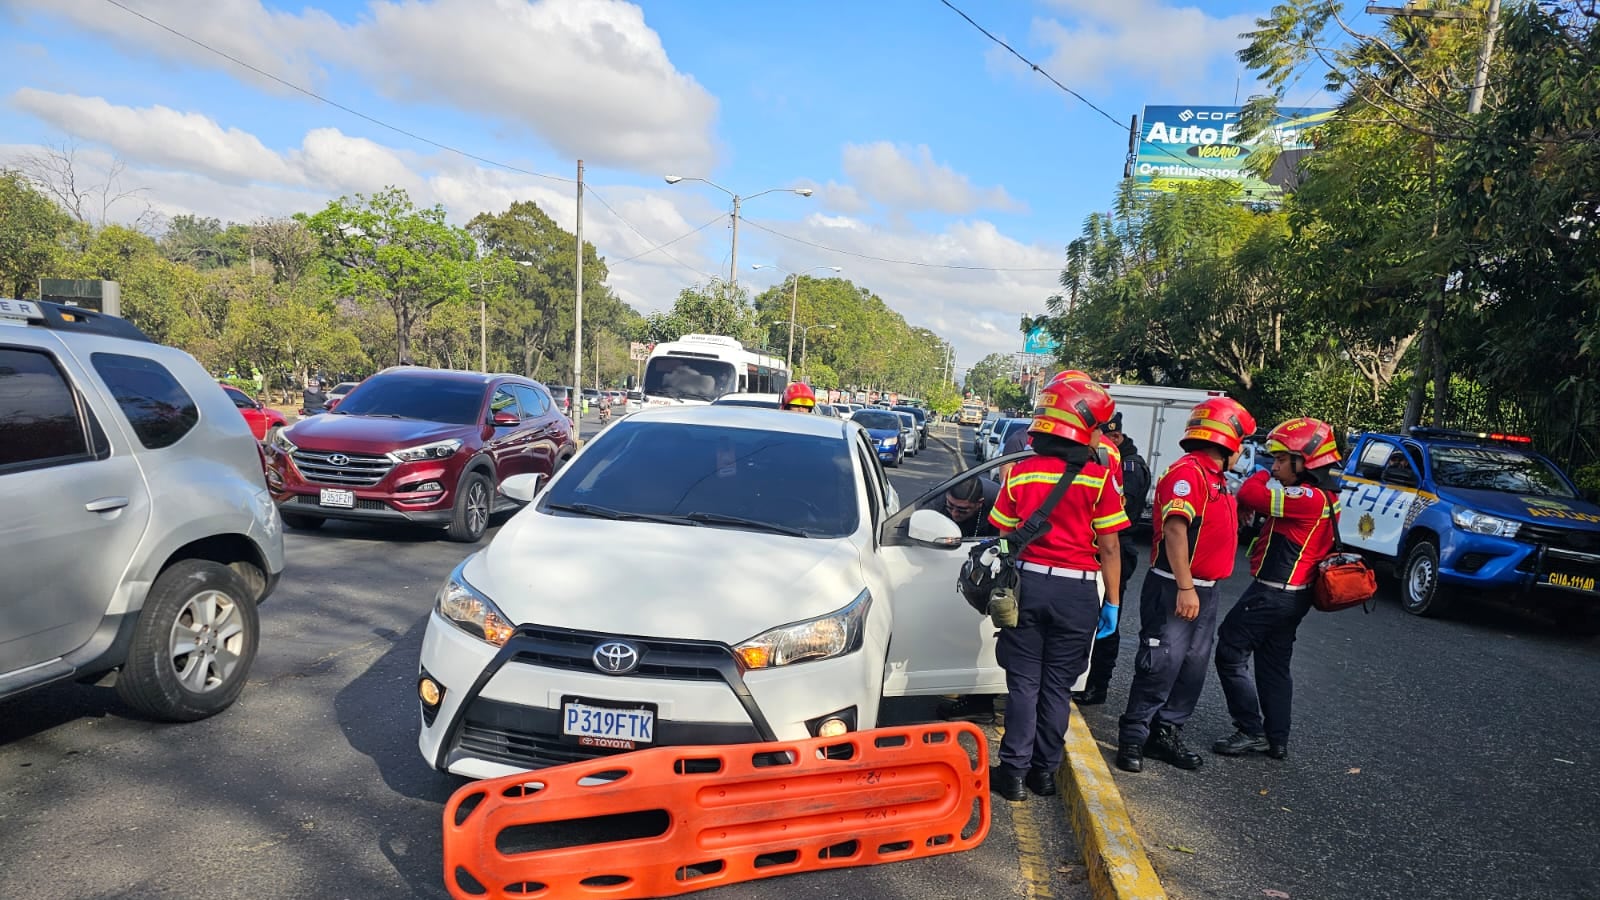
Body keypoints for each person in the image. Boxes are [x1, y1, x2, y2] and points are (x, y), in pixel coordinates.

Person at [985, 374, 1128, 802]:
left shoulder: (1021, 472)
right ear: (1081, 426)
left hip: (1026, 585)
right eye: (1098, 427)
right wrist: (1114, 603)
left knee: (1024, 684)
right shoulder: (1100, 478)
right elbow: (1110, 545)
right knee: (1058, 688)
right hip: (1078, 593)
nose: (1101, 434)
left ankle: (1012, 774)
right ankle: (1043, 774)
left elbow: (1004, 535)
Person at [1115, 397, 1255, 774]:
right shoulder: (1187, 474)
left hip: (1204, 590)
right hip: (1176, 588)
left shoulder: (1216, 480)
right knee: (1160, 663)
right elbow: (1176, 531)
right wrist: (1185, 586)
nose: (1242, 452)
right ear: (1226, 442)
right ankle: (1133, 737)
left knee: (1191, 667)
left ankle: (1165, 733)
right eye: (1240, 443)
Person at [1211, 417, 1340, 762]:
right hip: (1294, 595)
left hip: (1273, 593)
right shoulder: (1326, 496)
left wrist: (1260, 472)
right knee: (1273, 665)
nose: (1276, 465)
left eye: (1283, 460)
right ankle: (1276, 738)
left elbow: (1252, 495)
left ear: (1305, 463)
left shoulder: (1308, 497)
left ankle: (1250, 729)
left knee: (1229, 649)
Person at [1073, 411, 1152, 706]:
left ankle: (1097, 684)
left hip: (1117, 547)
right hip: (1105, 547)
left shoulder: (1130, 466)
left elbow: (1119, 511)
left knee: (1107, 621)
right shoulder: (1119, 459)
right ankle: (1085, 679)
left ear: (1115, 436)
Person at [925, 476, 1000, 538]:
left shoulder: (998, 502)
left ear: (979, 503)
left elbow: (1002, 539)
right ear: (947, 495)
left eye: (962, 510)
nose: (954, 514)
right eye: (950, 506)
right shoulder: (936, 498)